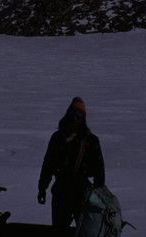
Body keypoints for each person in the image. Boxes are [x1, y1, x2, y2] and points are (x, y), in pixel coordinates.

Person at [37, 97, 105, 230]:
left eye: (79, 115)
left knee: (84, 234)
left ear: (83, 118)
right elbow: (48, 166)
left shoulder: (91, 141)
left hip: (82, 195)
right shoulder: (57, 138)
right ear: (68, 114)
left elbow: (99, 171)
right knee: (60, 232)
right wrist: (42, 188)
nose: (75, 117)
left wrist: (99, 196)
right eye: (73, 113)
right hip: (61, 192)